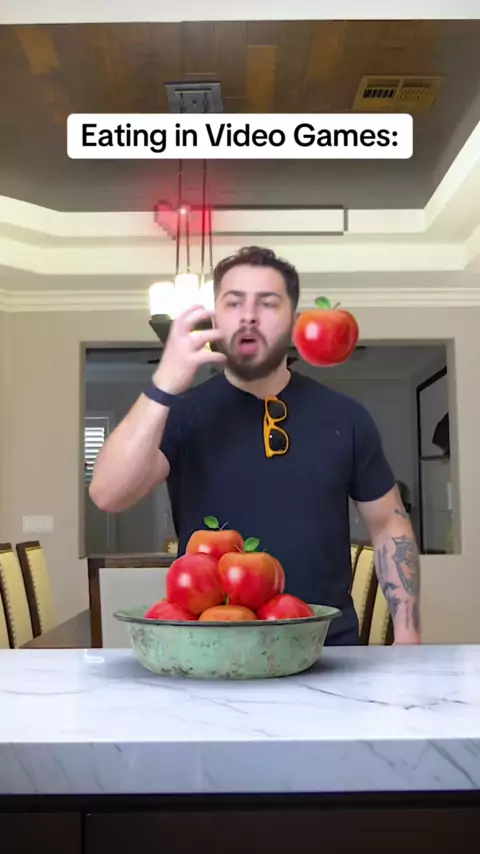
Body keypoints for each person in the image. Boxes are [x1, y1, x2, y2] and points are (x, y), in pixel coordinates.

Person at [90, 246, 421, 645]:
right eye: (234, 303)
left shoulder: (346, 416)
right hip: (211, 652)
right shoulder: (182, 414)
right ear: (215, 318)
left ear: (294, 322)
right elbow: (108, 494)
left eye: (267, 303)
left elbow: (388, 522)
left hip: (329, 652)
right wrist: (165, 383)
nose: (249, 315)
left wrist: (408, 635)